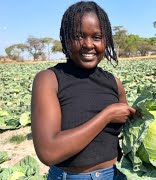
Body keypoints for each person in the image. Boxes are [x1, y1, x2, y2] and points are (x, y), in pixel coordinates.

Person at [31, 1, 136, 179]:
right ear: (65, 39)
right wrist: (107, 115)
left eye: (97, 37)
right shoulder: (49, 79)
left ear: (106, 40)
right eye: (79, 36)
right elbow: (48, 152)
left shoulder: (114, 83)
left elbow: (128, 136)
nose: (88, 44)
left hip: (116, 174)